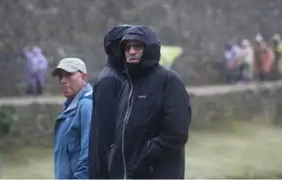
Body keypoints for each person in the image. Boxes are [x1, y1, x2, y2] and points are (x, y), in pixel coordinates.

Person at [107, 25, 191, 179]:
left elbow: (176, 134)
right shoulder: (128, 85)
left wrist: (145, 158)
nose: (131, 51)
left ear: (149, 48)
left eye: (137, 46)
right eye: (127, 47)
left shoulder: (168, 81)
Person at [88, 24, 133, 179]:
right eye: (126, 46)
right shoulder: (109, 80)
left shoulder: (122, 76)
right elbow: (104, 135)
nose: (131, 51)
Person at [52, 57, 92, 179]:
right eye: (60, 77)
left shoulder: (86, 105)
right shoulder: (70, 107)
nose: (63, 81)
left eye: (69, 75)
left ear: (84, 77)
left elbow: (89, 151)